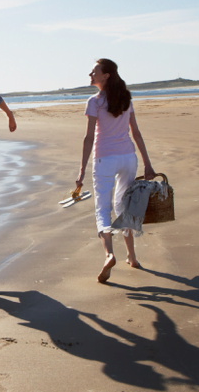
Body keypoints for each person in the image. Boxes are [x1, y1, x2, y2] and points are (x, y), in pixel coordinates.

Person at [76, 59, 156, 283]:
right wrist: (147, 163)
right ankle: (132, 257)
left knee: (103, 209)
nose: (90, 74)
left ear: (106, 75)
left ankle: (109, 255)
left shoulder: (94, 102)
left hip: (105, 159)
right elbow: (136, 133)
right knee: (125, 206)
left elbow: (89, 138)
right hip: (128, 158)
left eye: (94, 71)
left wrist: (81, 171)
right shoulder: (125, 99)